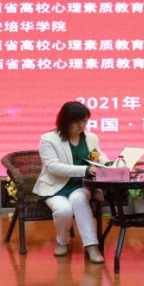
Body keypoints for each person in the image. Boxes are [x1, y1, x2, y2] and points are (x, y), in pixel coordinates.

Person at [32, 101, 106, 263]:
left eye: (84, 121)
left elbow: (99, 157)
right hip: (54, 186)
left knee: (79, 201)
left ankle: (91, 246)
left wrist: (112, 164)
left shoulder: (91, 138)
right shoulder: (48, 139)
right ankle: (62, 240)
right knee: (63, 211)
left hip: (81, 185)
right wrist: (85, 170)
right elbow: (52, 166)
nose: (81, 125)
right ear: (65, 121)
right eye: (76, 121)